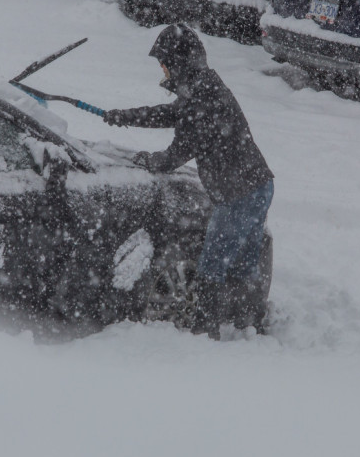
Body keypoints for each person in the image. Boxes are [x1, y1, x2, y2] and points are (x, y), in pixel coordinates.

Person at [103, 24, 274, 338]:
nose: (163, 70)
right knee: (244, 264)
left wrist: (145, 159)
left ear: (178, 62)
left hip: (238, 193)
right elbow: (171, 114)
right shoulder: (202, 85)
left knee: (213, 265)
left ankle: (205, 333)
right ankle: (251, 323)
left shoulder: (201, 99)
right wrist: (125, 116)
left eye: (164, 63)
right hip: (258, 185)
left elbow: (173, 156)